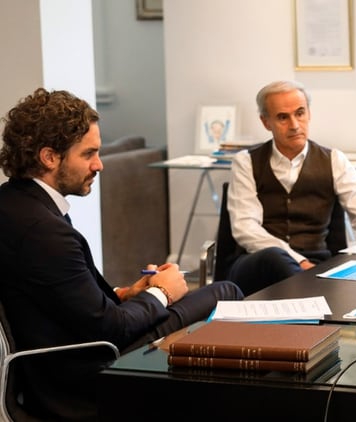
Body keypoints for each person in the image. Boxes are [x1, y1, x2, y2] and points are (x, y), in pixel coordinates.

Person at [0, 88, 245, 421]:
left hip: (59, 363)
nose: (99, 165)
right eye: (88, 154)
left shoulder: (15, 204)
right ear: (49, 157)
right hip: (87, 374)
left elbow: (63, 299)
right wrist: (162, 292)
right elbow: (109, 329)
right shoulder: (44, 230)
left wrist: (126, 294)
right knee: (225, 292)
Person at [226, 80, 356, 295]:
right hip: (256, 263)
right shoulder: (246, 162)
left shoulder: (333, 160)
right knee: (274, 257)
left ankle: (310, 300)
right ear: (266, 122)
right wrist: (297, 261)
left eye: (300, 113)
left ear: (308, 113)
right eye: (283, 117)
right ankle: (313, 295)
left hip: (318, 262)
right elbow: (245, 228)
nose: (294, 125)